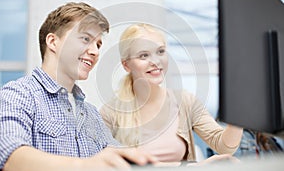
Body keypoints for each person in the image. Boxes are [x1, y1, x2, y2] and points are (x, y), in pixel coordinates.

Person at [0, 3, 157, 171]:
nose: (95, 51)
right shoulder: (18, 95)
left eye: (98, 44)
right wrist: (87, 166)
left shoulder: (91, 114)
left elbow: (117, 156)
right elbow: (9, 157)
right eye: (85, 39)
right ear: (53, 42)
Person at [100, 23, 243, 164]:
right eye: (144, 55)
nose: (155, 61)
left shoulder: (185, 101)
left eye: (160, 51)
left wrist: (239, 108)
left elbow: (225, 147)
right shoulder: (110, 113)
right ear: (126, 65)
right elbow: (101, 164)